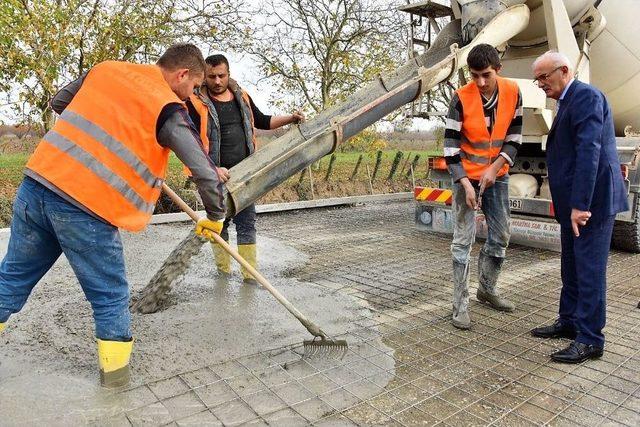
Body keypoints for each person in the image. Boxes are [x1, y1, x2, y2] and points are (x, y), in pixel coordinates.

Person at [0, 43, 227, 387]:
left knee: (12, 279)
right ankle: (116, 389)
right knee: (109, 297)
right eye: (194, 87)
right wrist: (216, 215)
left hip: (37, 185)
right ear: (182, 74)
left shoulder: (107, 70)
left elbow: (60, 103)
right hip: (85, 206)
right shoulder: (168, 108)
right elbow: (205, 172)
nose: (192, 94)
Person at [530, 51, 628, 363]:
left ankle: (590, 339)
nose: (540, 83)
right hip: (574, 202)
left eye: (544, 76)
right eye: (538, 78)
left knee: (589, 270)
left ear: (564, 70)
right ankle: (570, 321)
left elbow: (590, 151)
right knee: (571, 265)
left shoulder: (586, 97)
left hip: (591, 204)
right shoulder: (567, 100)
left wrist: (580, 206)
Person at [185, 54, 304, 283]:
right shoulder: (194, 102)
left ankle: (249, 276)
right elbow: (189, 141)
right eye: (212, 77)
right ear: (204, 76)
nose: (217, 81)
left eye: (221, 76)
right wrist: (211, 168)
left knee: (247, 222)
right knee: (219, 223)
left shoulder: (242, 96)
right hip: (215, 177)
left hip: (246, 173)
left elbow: (262, 121)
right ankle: (223, 273)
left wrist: (290, 118)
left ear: (228, 74)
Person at [443, 43, 522, 329]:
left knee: (501, 235)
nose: (480, 82)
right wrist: (465, 183)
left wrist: (495, 167)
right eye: (474, 75)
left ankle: (487, 289)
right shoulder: (460, 98)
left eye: (486, 75)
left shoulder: (513, 92)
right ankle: (459, 305)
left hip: (496, 175)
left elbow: (514, 138)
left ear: (498, 69)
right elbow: (450, 147)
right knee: (462, 241)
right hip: (465, 177)